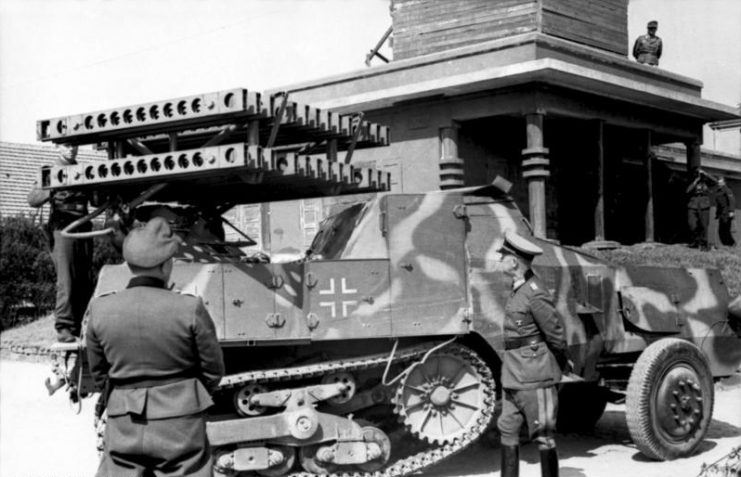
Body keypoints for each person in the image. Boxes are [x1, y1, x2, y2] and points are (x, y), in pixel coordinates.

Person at [85, 217, 225, 477]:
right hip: (180, 422)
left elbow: (99, 373)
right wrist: (187, 397)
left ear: (129, 264)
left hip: (123, 421)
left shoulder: (100, 309)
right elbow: (213, 370)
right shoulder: (189, 308)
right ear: (166, 264)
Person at [496, 230, 570, 477]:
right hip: (513, 377)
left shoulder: (534, 291)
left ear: (514, 261)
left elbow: (555, 333)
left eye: (503, 256)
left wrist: (556, 365)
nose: (499, 260)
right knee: (507, 430)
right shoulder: (518, 289)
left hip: (534, 376)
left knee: (543, 435)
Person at [27, 145, 94, 343]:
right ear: (58, 146)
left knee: (84, 278)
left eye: (75, 145)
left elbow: (97, 201)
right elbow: (33, 199)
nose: (72, 149)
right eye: (67, 145)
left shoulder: (84, 170)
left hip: (84, 226)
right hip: (63, 228)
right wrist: (53, 185)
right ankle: (64, 326)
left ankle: (82, 325)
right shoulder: (51, 171)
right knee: (66, 280)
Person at [686, 169, 713, 250]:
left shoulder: (707, 182)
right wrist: (695, 181)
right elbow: (688, 190)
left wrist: (706, 174)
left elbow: (715, 182)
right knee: (692, 224)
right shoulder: (693, 182)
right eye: (697, 174)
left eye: (699, 174)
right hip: (693, 205)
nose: (699, 175)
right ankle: (695, 242)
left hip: (704, 205)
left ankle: (704, 244)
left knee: (704, 225)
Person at [714, 177, 736, 246]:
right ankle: (726, 244)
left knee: (726, 230)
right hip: (721, 213)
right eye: (718, 183)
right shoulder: (718, 191)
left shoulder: (727, 190)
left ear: (724, 183)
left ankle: (731, 244)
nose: (719, 184)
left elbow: (732, 201)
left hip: (727, 213)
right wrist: (717, 214)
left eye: (721, 183)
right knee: (721, 230)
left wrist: (731, 211)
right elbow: (718, 204)